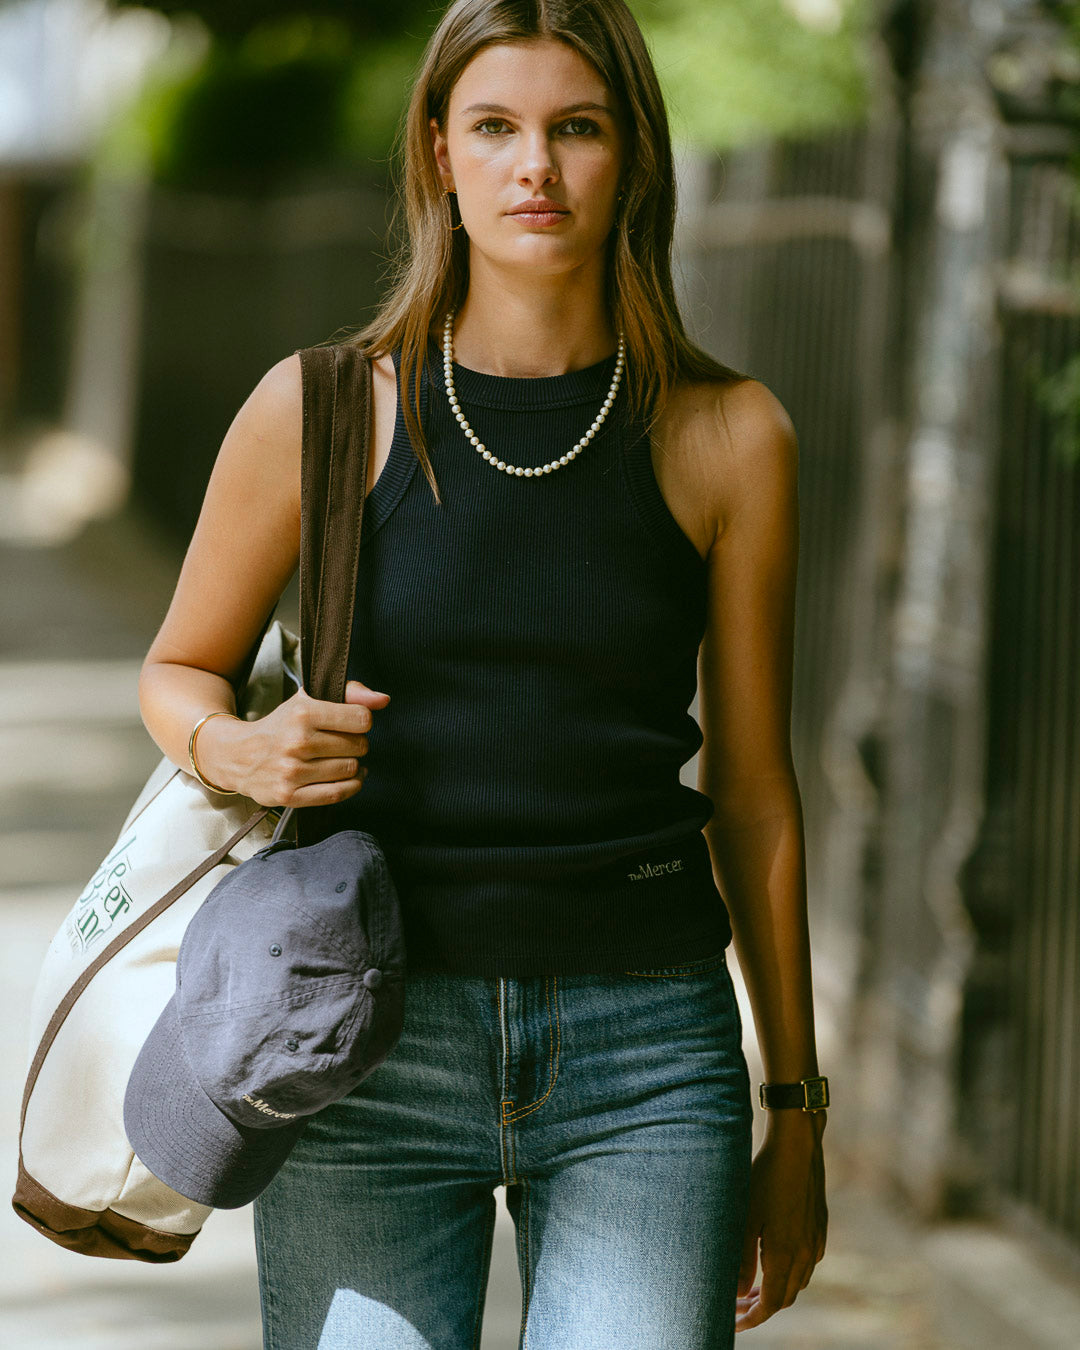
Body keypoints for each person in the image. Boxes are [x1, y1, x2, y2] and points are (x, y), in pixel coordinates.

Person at [136, 0, 828, 1345]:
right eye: (497, 126)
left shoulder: (730, 436)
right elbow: (177, 668)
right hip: (361, 1039)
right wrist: (236, 746)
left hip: (645, 1056)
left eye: (579, 128)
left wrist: (795, 1109)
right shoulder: (325, 408)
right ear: (439, 154)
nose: (537, 167)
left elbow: (756, 793)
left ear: (633, 156)